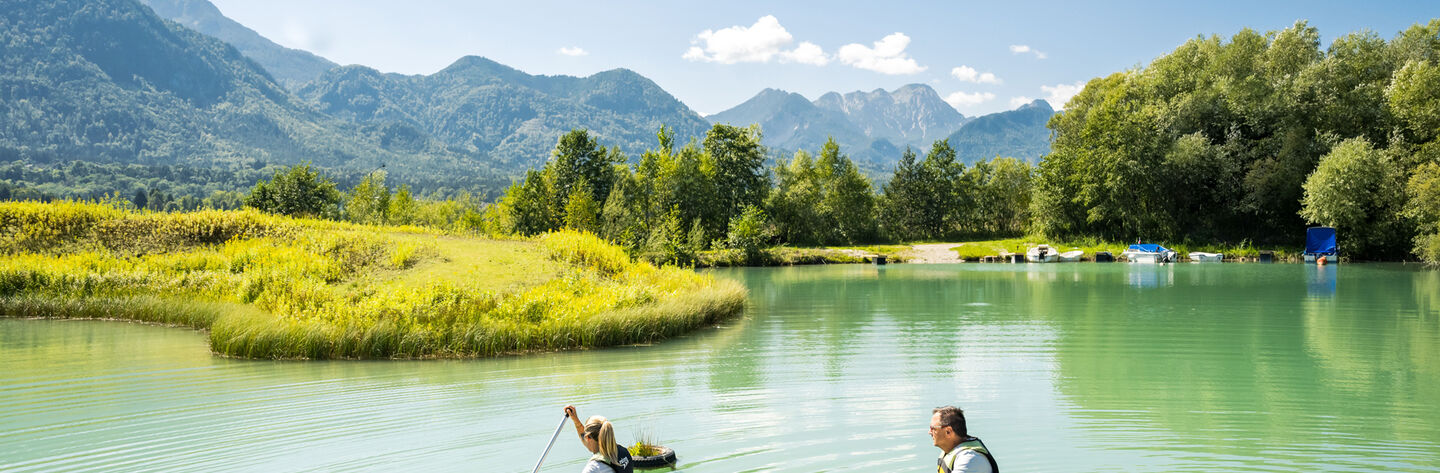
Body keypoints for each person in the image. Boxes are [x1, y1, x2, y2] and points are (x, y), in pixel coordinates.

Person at [563, 405, 633, 473]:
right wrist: (576, 420)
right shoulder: (623, 453)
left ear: (588, 438)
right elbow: (586, 438)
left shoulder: (593, 468)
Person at [930, 406, 998, 473]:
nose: (929, 432)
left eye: (933, 428)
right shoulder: (950, 450)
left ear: (948, 431)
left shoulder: (970, 459)